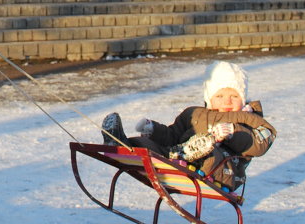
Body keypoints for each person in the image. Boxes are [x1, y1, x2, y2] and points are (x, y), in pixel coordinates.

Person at [101, 60, 276, 191]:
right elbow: (172, 135)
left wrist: (234, 132)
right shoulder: (196, 113)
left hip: (222, 170)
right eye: (220, 96)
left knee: (210, 148)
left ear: (243, 97)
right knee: (147, 146)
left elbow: (262, 142)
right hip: (179, 156)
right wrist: (152, 129)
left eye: (234, 96)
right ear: (209, 96)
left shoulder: (247, 117)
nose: (227, 102)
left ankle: (193, 150)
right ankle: (119, 144)